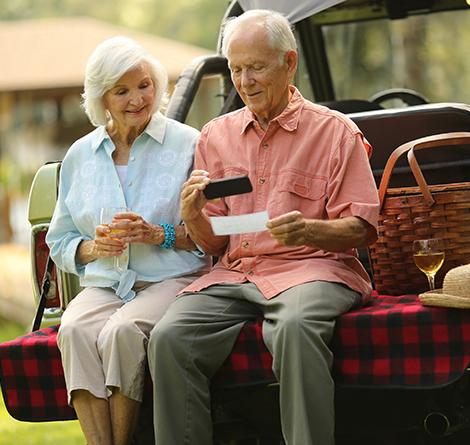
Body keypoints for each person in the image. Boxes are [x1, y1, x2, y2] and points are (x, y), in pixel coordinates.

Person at [148, 9, 380, 445]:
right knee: (168, 338)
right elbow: (216, 242)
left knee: (293, 328)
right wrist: (194, 213)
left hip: (314, 269)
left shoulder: (336, 132)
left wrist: (311, 232)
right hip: (237, 272)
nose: (245, 81)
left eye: (256, 67)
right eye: (236, 69)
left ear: (289, 63)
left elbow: (362, 228)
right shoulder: (215, 136)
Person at [46, 36, 210, 445]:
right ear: (101, 98)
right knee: (74, 330)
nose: (138, 99)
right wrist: (93, 248)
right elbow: (60, 239)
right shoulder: (80, 155)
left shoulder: (189, 143)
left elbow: (213, 236)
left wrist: (158, 234)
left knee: (122, 331)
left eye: (144, 85)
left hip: (170, 278)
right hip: (106, 282)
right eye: (122, 91)